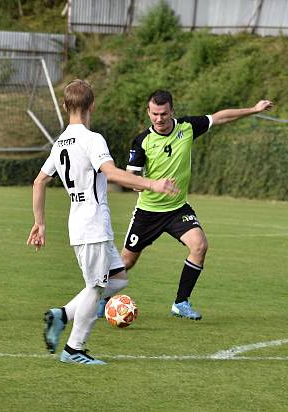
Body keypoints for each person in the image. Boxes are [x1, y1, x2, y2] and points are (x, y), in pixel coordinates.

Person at [28, 80, 178, 365]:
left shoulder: (60, 141)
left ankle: (62, 315)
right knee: (96, 288)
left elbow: (39, 181)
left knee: (119, 278)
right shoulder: (92, 139)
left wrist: (40, 223)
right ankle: (74, 349)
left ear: (64, 106)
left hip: (83, 222)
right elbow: (110, 173)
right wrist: (152, 184)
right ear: (92, 105)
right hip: (92, 223)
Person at [108, 90, 273, 320]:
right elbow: (130, 176)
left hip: (177, 209)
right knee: (126, 261)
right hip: (148, 211)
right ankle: (101, 300)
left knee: (199, 245)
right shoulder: (142, 141)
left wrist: (253, 110)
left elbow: (220, 117)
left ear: (172, 111)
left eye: (164, 114)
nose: (159, 119)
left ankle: (181, 302)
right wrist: (146, 184)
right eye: (154, 114)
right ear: (148, 112)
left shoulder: (187, 127)